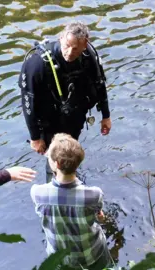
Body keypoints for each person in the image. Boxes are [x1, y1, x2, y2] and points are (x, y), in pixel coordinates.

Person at [18, 21, 112, 182]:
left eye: (75, 48)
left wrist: (106, 115)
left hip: (74, 116)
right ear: (61, 38)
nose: (69, 52)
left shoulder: (89, 57)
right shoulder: (37, 63)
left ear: (85, 45)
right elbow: (28, 103)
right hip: (49, 121)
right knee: (55, 159)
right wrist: (35, 137)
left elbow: (99, 84)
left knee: (70, 154)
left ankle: (69, 181)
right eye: (67, 45)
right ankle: (54, 189)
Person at [30, 133, 112, 269]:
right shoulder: (94, 195)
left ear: (56, 164)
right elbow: (99, 216)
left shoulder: (37, 193)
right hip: (92, 256)